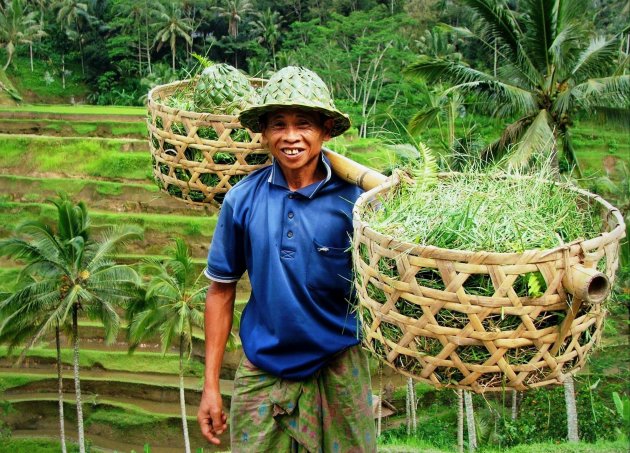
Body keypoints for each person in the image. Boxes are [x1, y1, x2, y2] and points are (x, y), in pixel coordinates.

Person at [197, 66, 376, 452]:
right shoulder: (242, 200)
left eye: (304, 124)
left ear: (326, 130)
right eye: (279, 124)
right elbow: (220, 291)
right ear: (264, 133)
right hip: (264, 366)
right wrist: (210, 385)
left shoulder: (357, 202)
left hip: (338, 364)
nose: (291, 136)